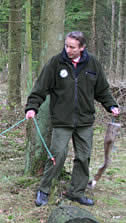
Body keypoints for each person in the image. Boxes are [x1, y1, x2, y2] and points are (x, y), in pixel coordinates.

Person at [25, 31, 120, 207]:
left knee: (83, 157)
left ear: (82, 48)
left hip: (85, 120)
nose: (68, 49)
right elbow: (40, 88)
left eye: (72, 47)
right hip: (62, 120)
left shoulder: (93, 64)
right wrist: (32, 107)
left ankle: (76, 192)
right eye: (66, 45)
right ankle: (44, 190)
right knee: (57, 156)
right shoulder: (56, 63)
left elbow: (102, 90)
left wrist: (111, 105)